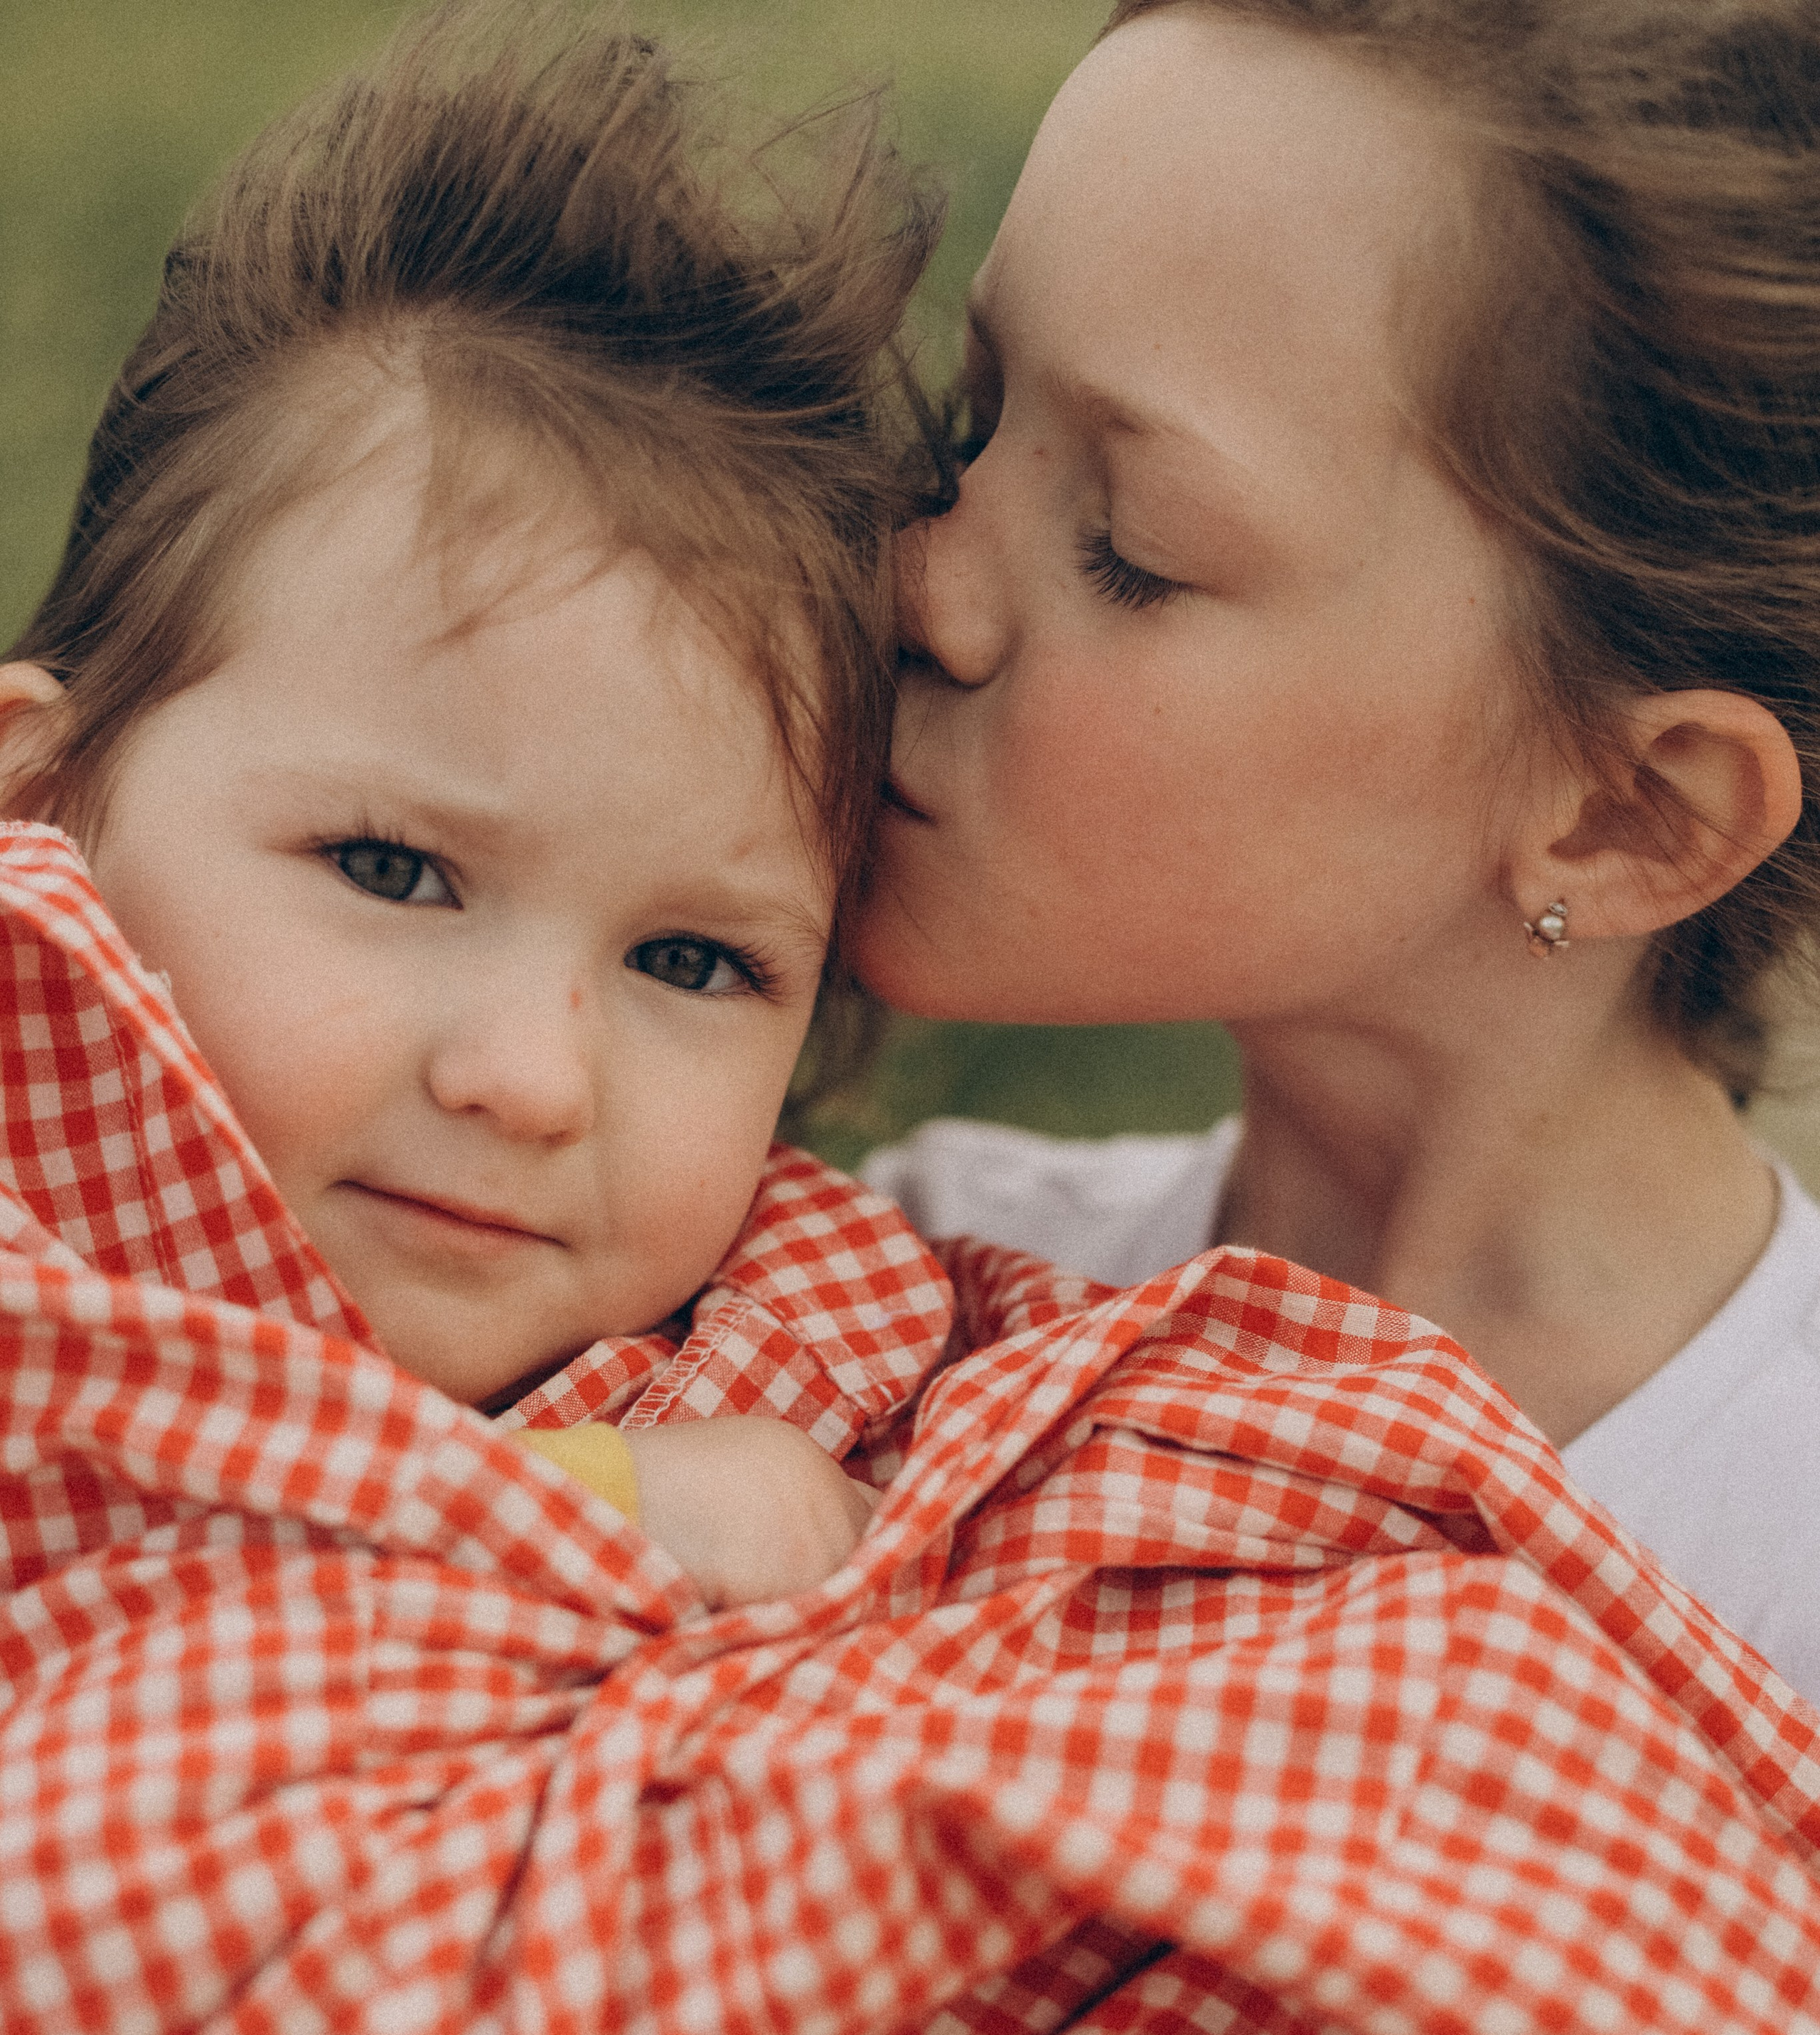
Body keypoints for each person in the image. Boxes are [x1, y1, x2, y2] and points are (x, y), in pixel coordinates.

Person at [860, 0, 1820, 1701]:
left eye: (1128, 550)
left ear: (1626, 815)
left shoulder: (1767, 1576)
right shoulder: (892, 1295)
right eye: (974, 408)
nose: (916, 577)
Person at [0, 0, 956, 1613]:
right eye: (392, 867)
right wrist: (564, 1502)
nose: (527, 1081)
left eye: (693, 965)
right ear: (45, 796)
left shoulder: (820, 1353)